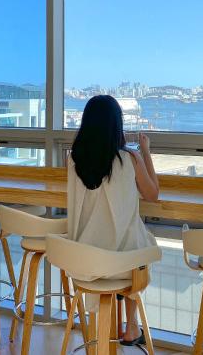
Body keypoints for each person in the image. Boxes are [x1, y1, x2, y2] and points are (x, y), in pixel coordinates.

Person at [67, 95, 159, 345]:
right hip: (121, 264)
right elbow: (153, 194)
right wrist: (146, 152)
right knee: (138, 242)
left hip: (84, 261)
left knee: (125, 236)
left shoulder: (74, 160)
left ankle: (113, 326)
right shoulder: (128, 159)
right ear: (116, 125)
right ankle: (131, 326)